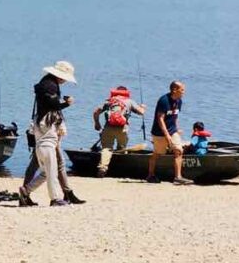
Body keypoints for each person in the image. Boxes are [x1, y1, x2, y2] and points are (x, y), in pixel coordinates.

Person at [19, 61, 78, 207]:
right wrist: (67, 103)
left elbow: (48, 103)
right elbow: (53, 105)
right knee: (51, 168)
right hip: (46, 128)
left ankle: (25, 191)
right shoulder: (50, 85)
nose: (64, 80)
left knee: (46, 171)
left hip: (41, 126)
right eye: (64, 77)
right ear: (60, 75)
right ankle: (55, 198)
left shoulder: (45, 83)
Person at [92, 85, 146, 177]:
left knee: (106, 148)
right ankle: (120, 167)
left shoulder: (109, 101)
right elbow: (141, 112)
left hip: (108, 127)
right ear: (126, 93)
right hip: (122, 128)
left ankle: (103, 168)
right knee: (122, 148)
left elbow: (96, 112)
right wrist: (143, 107)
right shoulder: (129, 101)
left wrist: (97, 123)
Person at [147, 80, 191, 185]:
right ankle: (150, 175)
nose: (184, 92)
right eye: (182, 90)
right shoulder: (164, 100)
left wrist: (177, 129)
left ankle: (178, 177)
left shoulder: (179, 101)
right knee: (158, 154)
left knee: (179, 151)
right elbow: (160, 119)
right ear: (174, 90)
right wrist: (166, 135)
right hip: (159, 132)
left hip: (172, 131)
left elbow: (175, 116)